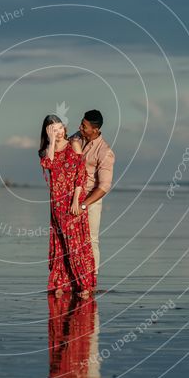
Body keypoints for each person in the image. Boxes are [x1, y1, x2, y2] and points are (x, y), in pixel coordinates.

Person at [39, 114, 96, 298]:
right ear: (48, 132)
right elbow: (48, 163)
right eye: (54, 130)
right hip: (56, 203)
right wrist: (50, 142)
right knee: (61, 244)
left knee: (76, 244)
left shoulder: (74, 144)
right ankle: (60, 284)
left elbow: (81, 173)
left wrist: (76, 199)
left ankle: (84, 285)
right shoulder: (48, 150)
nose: (59, 132)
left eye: (60, 128)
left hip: (73, 200)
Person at [70, 110, 115, 275]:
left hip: (90, 200)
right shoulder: (77, 137)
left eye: (84, 126)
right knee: (70, 240)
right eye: (81, 123)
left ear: (95, 130)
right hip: (71, 196)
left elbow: (104, 186)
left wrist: (83, 205)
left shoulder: (105, 152)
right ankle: (72, 277)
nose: (80, 127)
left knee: (90, 240)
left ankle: (92, 279)